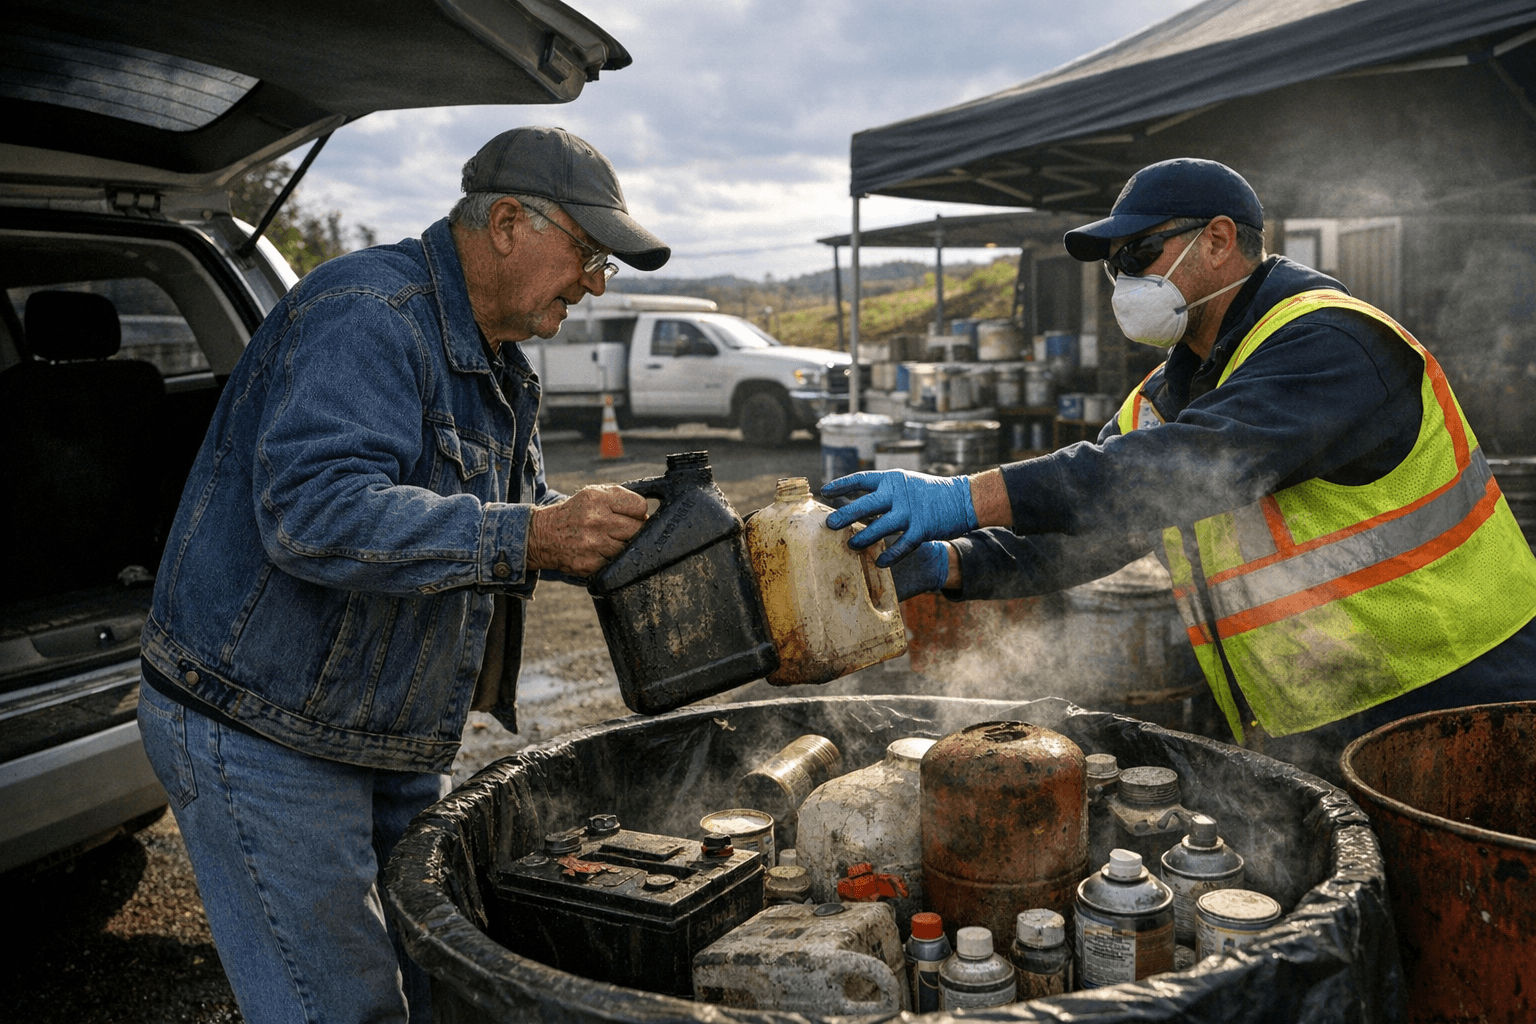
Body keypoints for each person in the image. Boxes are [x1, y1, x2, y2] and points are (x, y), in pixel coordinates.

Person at [136, 126, 668, 1024]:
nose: (592, 282)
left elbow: (513, 506)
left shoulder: (496, 358)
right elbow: (313, 512)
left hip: (380, 731)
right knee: (344, 1006)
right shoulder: (369, 316)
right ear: (507, 222)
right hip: (265, 728)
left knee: (434, 978)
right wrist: (532, 537)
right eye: (586, 254)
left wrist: (620, 527)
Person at [824, 158, 1536, 782]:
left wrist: (963, 495)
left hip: (1461, 692)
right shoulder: (1164, 400)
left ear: (1219, 240)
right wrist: (950, 562)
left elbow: (1188, 467)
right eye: (1112, 266)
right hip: (1319, 713)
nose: (1121, 280)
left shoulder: (1329, 340)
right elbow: (1097, 525)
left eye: (1137, 252)